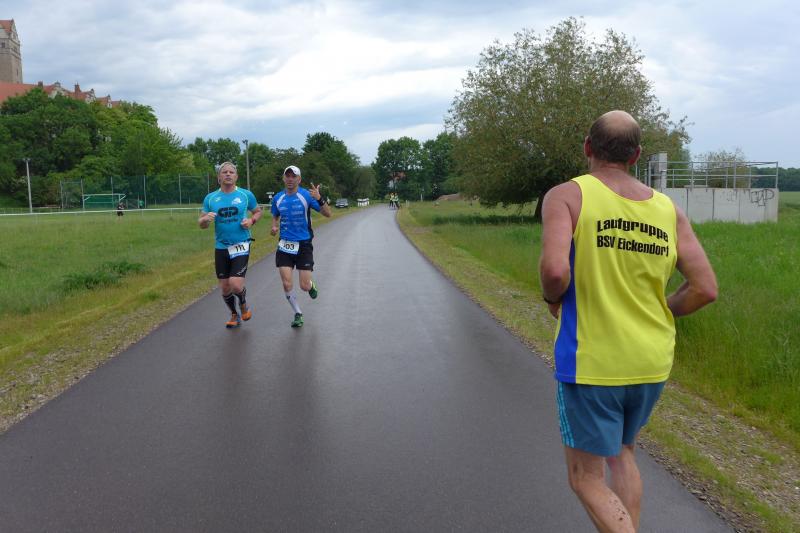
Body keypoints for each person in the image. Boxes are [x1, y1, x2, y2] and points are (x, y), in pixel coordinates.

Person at [539, 110, 717, 532]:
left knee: (585, 477)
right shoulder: (667, 210)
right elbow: (705, 288)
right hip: (650, 360)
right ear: (636, 155)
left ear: (588, 147)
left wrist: (552, 299)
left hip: (593, 360)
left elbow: (555, 271)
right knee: (622, 453)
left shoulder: (567, 196)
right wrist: (660, 310)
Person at [199, 161, 262, 328]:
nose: (228, 174)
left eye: (231, 172)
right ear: (219, 177)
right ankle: (234, 314)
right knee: (225, 287)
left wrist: (251, 221)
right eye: (224, 172)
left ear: (236, 176)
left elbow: (258, 211)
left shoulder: (245, 195)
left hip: (241, 244)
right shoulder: (211, 198)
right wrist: (205, 220)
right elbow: (201, 223)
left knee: (235, 284)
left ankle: (243, 304)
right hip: (221, 246)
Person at [270, 165, 331, 327]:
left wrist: (319, 198)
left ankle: (310, 285)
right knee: (286, 283)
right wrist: (274, 226)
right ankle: (298, 313)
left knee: (304, 286)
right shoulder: (278, 198)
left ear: (299, 179)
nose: (290, 179)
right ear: (284, 178)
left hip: (304, 244)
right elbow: (275, 215)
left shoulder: (306, 195)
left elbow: (328, 214)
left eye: (293, 176)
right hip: (285, 245)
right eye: (287, 176)